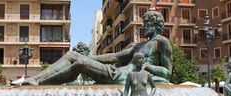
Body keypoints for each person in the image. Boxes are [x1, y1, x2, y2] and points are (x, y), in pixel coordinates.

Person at [17, 10, 172, 85]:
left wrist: (148, 67)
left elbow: (167, 73)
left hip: (122, 77)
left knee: (81, 64)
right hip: (116, 72)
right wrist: (90, 57)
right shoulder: (139, 45)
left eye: (146, 24)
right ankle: (36, 78)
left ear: (154, 24)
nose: (143, 27)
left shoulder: (162, 42)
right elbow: (115, 57)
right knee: (72, 55)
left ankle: (41, 83)